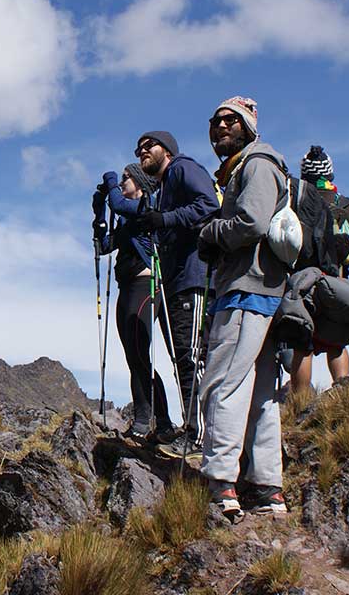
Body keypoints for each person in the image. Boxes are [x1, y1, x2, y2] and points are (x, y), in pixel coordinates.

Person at [195, 96, 290, 519]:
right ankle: (268, 489)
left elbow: (251, 221)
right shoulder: (253, 166)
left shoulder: (256, 164)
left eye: (231, 120)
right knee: (261, 394)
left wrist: (211, 231)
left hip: (245, 289)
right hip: (266, 291)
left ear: (250, 126)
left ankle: (220, 483)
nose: (220, 127)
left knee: (223, 383)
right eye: (215, 121)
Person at [123, 131, 219, 461]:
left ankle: (199, 435)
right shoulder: (163, 188)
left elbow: (209, 205)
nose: (142, 152)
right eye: (139, 149)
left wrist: (164, 219)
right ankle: (196, 429)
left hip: (192, 278)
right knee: (184, 357)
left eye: (149, 146)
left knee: (191, 357)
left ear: (167, 149)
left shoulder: (181, 169)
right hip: (178, 282)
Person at [94, 163, 187, 442]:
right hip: (128, 287)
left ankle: (149, 419)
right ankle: (161, 421)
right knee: (135, 357)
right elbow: (104, 245)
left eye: (126, 178)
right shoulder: (126, 220)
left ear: (141, 183)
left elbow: (120, 204)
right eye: (120, 179)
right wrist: (99, 212)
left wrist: (109, 182)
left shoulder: (147, 207)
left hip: (146, 285)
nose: (121, 182)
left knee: (138, 351)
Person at [289, 145, 349, 393]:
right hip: (336, 281)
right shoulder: (345, 205)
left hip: (302, 280)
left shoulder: (295, 201)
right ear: (330, 174)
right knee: (337, 341)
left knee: (303, 344)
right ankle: (342, 391)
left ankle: (299, 404)